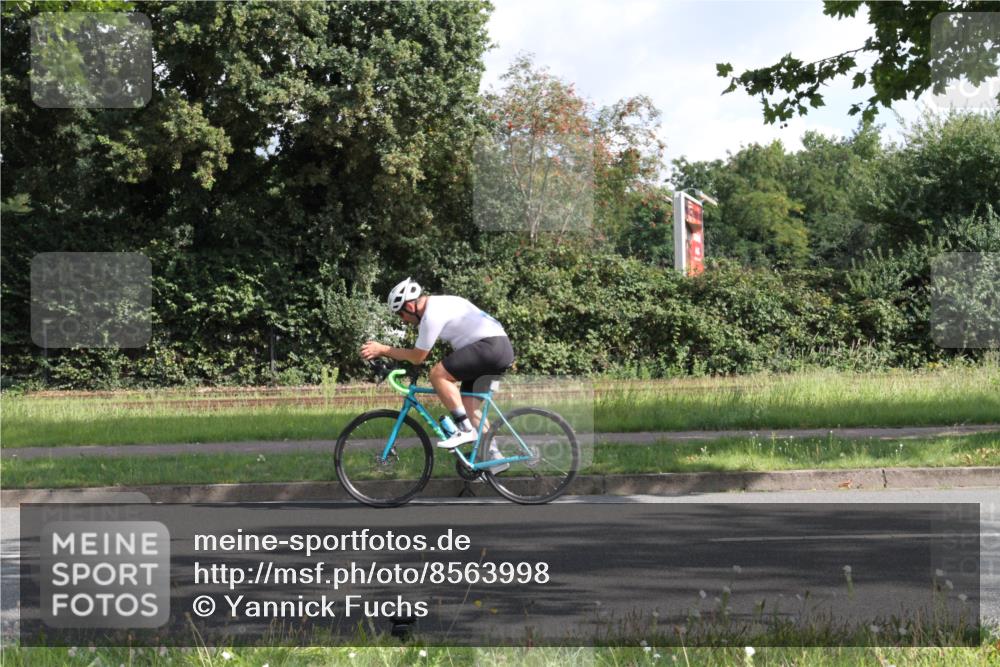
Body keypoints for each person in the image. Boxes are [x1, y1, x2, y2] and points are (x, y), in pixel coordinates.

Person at [360, 278, 515, 466]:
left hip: (489, 347)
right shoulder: (441, 303)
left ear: (409, 306)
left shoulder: (431, 314)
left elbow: (418, 357)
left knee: (437, 374)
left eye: (401, 314)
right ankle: (494, 458)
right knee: (468, 406)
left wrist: (383, 349)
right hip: (500, 349)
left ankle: (465, 430)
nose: (403, 320)